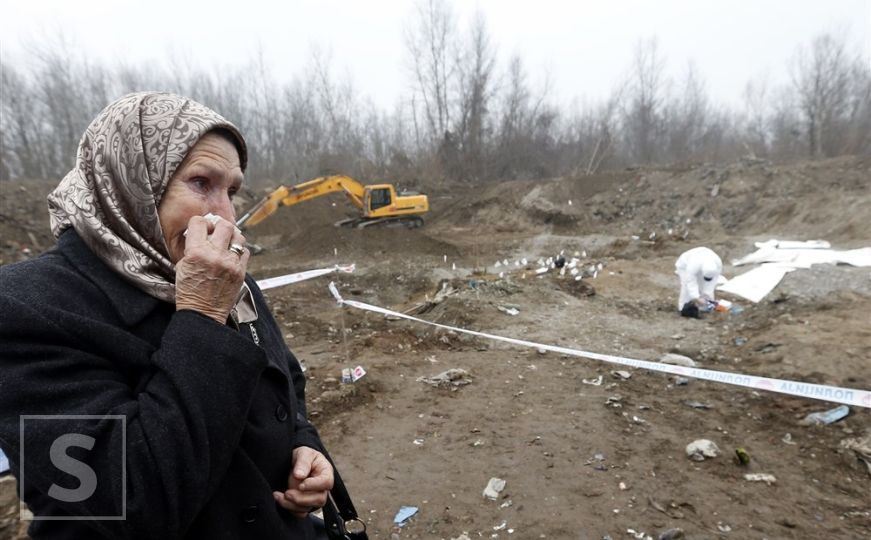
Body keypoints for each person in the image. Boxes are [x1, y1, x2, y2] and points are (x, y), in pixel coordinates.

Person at [0, 92, 338, 539]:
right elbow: (133, 500)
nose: (226, 215)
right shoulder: (28, 306)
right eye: (202, 183)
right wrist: (201, 316)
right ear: (131, 183)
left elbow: (285, 379)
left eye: (232, 190)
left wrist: (303, 444)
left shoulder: (225, 278)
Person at [675, 246, 723, 318]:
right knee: (686, 287)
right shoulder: (694, 263)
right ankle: (683, 308)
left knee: (703, 287)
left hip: (700, 265)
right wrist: (696, 297)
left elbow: (713, 280)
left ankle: (703, 307)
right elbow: (690, 281)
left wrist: (707, 293)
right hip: (685, 266)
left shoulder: (717, 264)